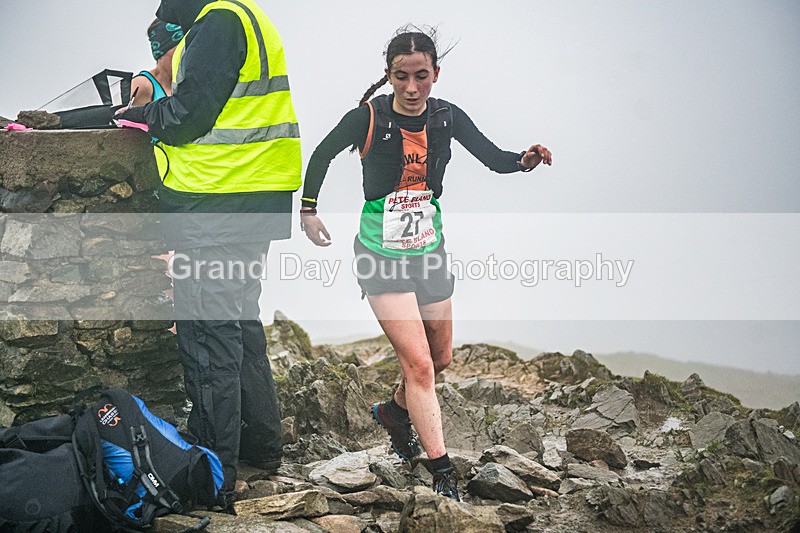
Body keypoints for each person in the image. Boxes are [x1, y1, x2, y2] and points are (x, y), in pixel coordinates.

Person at [300, 28, 552, 501]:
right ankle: (442, 471)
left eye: (421, 76)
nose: (412, 88)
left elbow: (494, 158)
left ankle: (395, 412)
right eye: (401, 77)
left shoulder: (446, 116)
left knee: (440, 360)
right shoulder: (368, 117)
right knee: (418, 365)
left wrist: (524, 160)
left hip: (429, 250)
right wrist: (308, 210)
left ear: (436, 74)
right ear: (389, 76)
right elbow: (320, 154)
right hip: (380, 255)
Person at [116, 0, 301, 510]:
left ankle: (211, 475)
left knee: (208, 336)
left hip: (218, 204)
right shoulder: (247, 16)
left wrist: (141, 115)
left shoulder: (215, 24)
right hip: (255, 198)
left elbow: (186, 116)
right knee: (240, 325)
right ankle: (262, 448)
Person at [130, 19, 184, 105]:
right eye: (179, 50)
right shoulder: (143, 85)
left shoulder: (187, 86)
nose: (183, 56)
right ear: (161, 52)